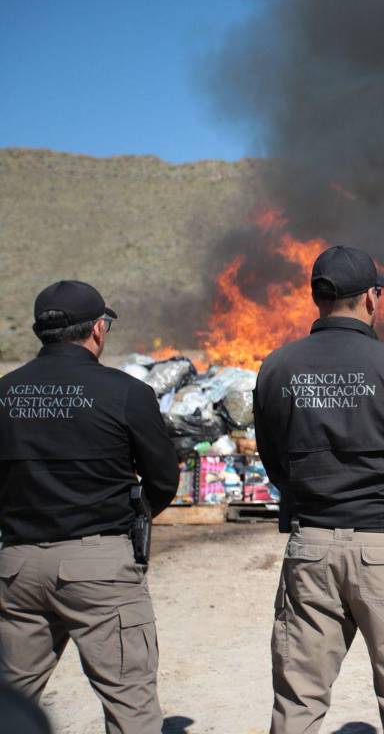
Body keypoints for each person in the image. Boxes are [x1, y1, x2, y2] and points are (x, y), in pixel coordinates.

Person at [254, 245, 384, 734]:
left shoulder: (277, 367)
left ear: (317, 298)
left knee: (298, 700)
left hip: (310, 549)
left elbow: (273, 459)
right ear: (371, 298)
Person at [0, 280, 179, 734]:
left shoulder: (4, 393)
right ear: (98, 328)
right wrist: (133, 515)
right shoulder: (126, 393)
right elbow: (163, 479)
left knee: (9, 704)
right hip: (100, 566)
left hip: (16, 568)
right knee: (131, 706)